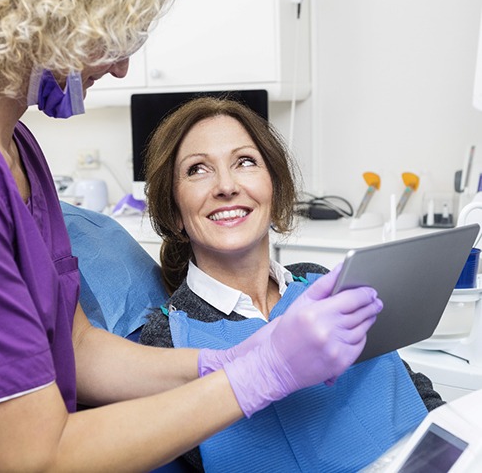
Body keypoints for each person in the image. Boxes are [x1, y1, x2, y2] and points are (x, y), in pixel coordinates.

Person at [0, 0, 384, 471]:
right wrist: (260, 373)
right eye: (114, 35)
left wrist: (234, 358)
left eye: (245, 162)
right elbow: (29, 458)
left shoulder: (20, 150)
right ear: (55, 17)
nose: (124, 67)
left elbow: (76, 345)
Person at [139, 96, 445, 472]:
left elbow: (408, 386)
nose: (226, 185)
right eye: (198, 169)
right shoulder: (164, 339)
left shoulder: (321, 279)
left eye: (245, 161)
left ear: (275, 188)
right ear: (174, 211)